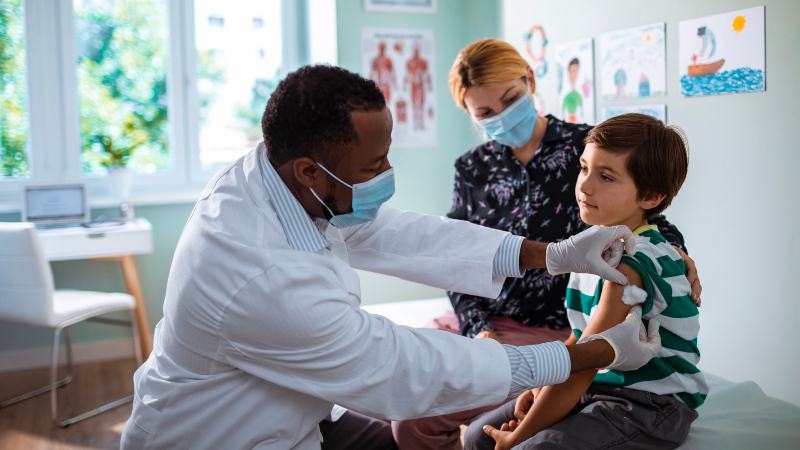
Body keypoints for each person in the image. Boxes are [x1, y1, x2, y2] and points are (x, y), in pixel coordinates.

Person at [120, 65, 662, 450]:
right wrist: (584, 356)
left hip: (291, 410)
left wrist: (554, 254)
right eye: (373, 164)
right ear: (311, 170)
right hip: (221, 434)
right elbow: (399, 367)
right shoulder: (257, 276)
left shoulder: (275, 173)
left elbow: (403, 235)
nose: (386, 176)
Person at [391, 39, 701, 450]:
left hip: (560, 330)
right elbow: (458, 256)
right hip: (502, 323)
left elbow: (648, 221)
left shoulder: (586, 146)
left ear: (530, 81)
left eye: (511, 99)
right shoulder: (471, 168)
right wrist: (478, 329)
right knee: (411, 418)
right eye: (485, 112)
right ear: (469, 114)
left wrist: (678, 256)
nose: (501, 116)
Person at [468, 114, 707, 450]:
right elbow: (578, 339)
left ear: (651, 197)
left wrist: (518, 437)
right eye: (584, 168)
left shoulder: (631, 265)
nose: (585, 185)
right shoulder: (590, 249)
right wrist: (537, 389)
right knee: (475, 436)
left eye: (606, 177)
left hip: (647, 403)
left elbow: (585, 363)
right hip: (599, 386)